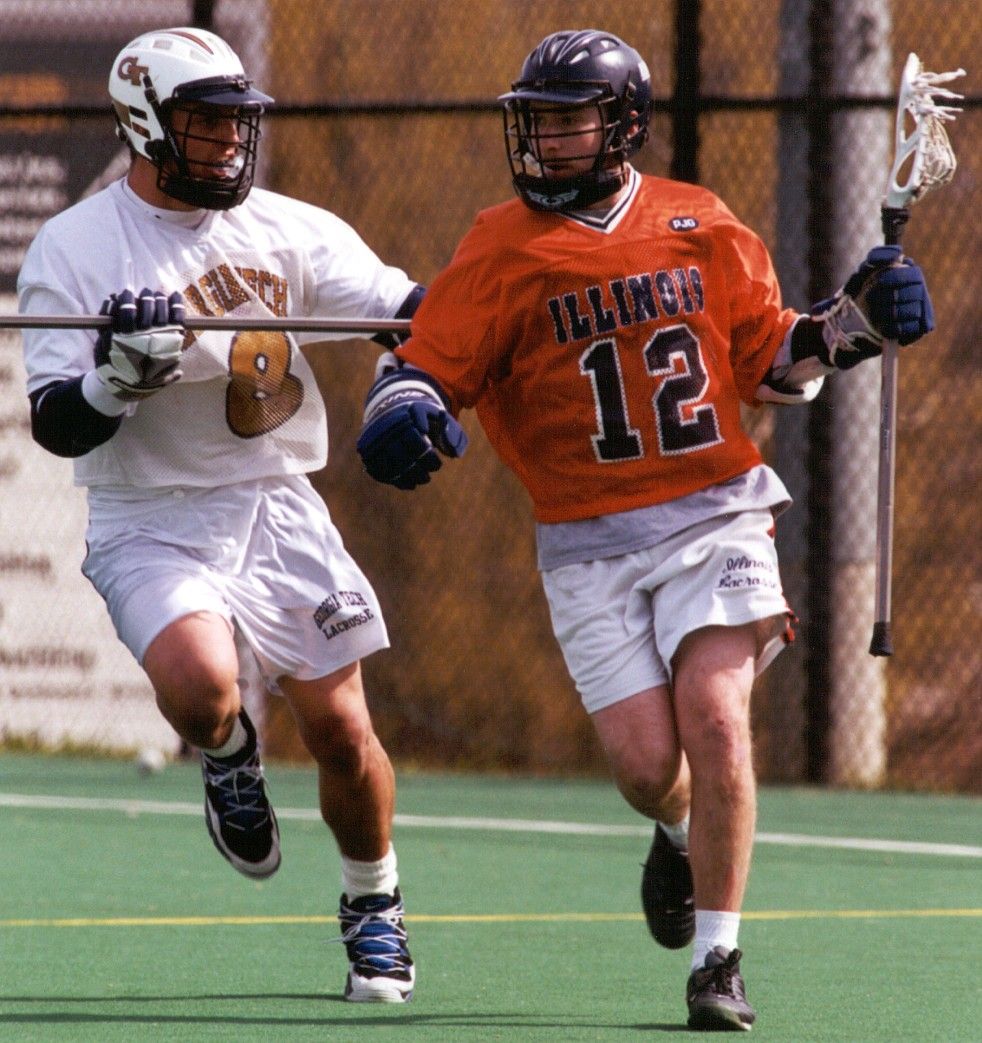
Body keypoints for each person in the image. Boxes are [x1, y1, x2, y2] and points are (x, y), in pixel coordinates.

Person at [354, 28, 935, 1031]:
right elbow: (428, 363)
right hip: (586, 539)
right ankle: (675, 828)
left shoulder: (698, 220)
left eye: (568, 120)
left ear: (622, 125)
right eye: (536, 121)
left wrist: (856, 321)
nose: (544, 139)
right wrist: (403, 407)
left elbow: (772, 360)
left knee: (716, 714)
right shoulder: (499, 244)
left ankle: (718, 960)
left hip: (716, 512)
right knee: (645, 768)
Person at [18, 26, 419, 1004]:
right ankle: (230, 756)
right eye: (206, 123)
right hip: (148, 512)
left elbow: (409, 310)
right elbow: (57, 423)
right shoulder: (75, 245)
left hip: (275, 502)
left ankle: (373, 902)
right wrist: (114, 381)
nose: (231, 141)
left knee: (341, 727)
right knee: (203, 691)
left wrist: (417, 375)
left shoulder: (288, 227)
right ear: (145, 125)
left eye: (239, 122)